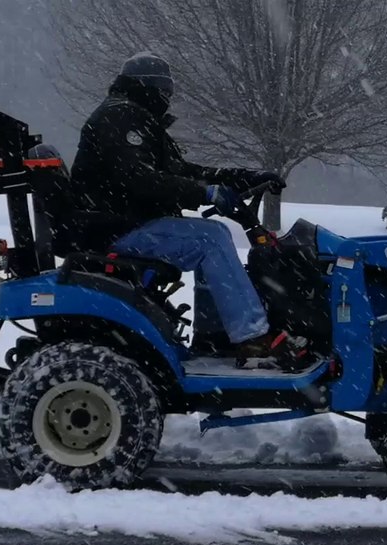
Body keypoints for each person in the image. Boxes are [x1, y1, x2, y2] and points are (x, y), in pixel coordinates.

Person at [70, 51, 308, 369]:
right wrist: (206, 192)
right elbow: (139, 178)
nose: (167, 99)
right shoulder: (121, 117)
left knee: (209, 238)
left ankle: (215, 335)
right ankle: (252, 336)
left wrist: (242, 178)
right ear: (148, 87)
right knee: (211, 238)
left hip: (124, 222)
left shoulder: (133, 116)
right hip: (115, 228)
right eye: (164, 92)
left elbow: (180, 171)